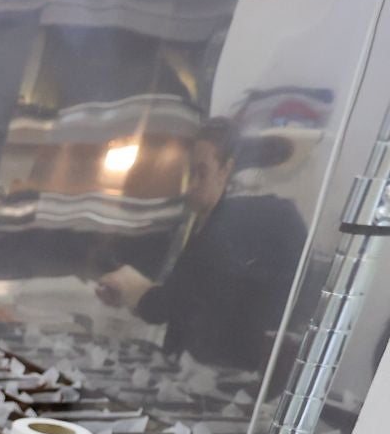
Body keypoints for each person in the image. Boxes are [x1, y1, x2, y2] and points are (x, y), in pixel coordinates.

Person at [94, 117, 308, 375]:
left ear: (225, 170)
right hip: (224, 372)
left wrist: (131, 288)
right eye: (188, 173)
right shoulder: (258, 213)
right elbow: (190, 294)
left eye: (201, 172)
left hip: (227, 374)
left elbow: (166, 306)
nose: (191, 185)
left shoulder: (234, 222)